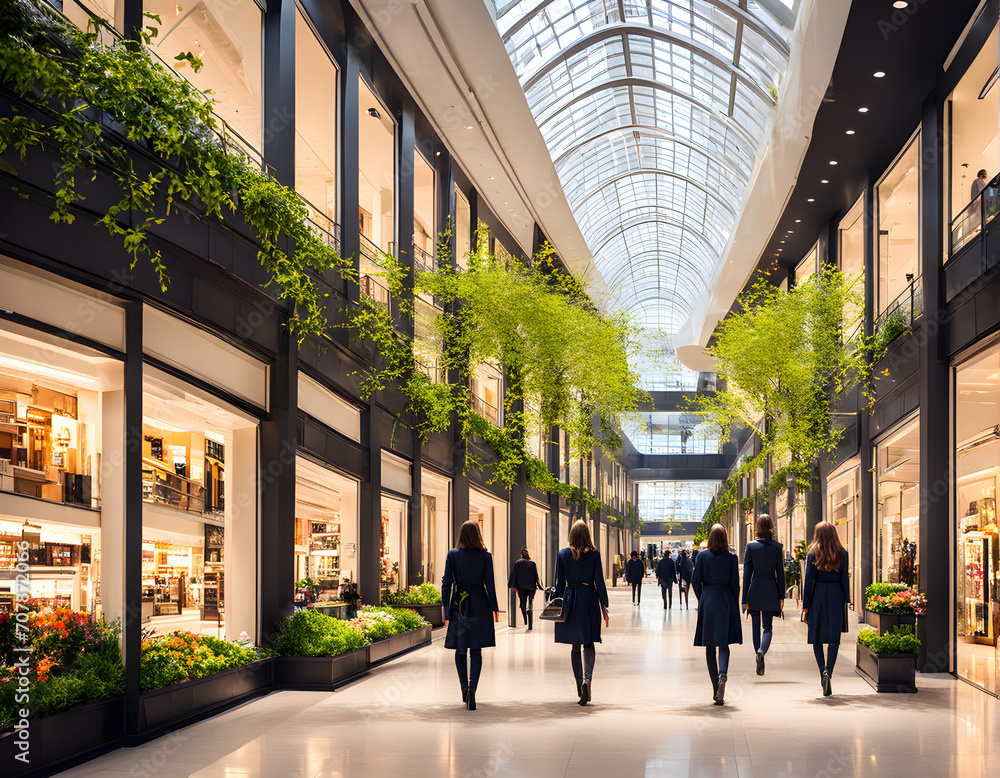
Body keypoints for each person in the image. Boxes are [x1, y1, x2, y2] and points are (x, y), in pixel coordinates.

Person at [441, 520, 500, 710]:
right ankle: (473, 691)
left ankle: (464, 689)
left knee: (460, 647)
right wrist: (494, 608)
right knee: (476, 649)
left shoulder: (453, 555)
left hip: (460, 603)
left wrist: (446, 609)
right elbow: (490, 584)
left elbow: (446, 584)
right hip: (479, 603)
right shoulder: (485, 556)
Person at [554, 520, 609, 705]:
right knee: (589, 642)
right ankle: (587, 679)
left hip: (571, 600)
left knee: (575, 646)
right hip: (589, 599)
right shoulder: (594, 554)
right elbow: (599, 581)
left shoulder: (562, 554)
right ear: (587, 535)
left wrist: (553, 601)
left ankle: (579, 687)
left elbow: (560, 584)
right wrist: (604, 605)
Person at [692, 524, 742, 705]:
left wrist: (702, 598)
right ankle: (723, 674)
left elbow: (695, 581)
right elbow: (735, 584)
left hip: (709, 599)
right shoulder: (731, 558)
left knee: (710, 645)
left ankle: (715, 689)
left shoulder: (702, 556)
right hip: (726, 599)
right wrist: (733, 602)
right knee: (723, 643)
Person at [802, 522, 851, 697]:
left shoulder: (813, 552)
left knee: (816, 637)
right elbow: (844, 577)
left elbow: (808, 581)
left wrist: (805, 605)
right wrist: (847, 599)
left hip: (817, 595)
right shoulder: (842, 552)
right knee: (833, 639)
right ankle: (828, 672)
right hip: (836, 594)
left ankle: (821, 670)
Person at [742, 514, 784, 676]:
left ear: (757, 529)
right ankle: (762, 651)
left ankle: (757, 654)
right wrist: (781, 597)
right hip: (771, 589)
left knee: (755, 628)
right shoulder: (777, 547)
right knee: (767, 627)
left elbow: (747, 574)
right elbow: (780, 573)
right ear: (771, 527)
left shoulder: (751, 547)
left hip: (755, 589)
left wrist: (745, 598)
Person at [508, 547, 542, 630]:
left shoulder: (518, 563)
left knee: (522, 604)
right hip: (531, 587)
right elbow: (536, 576)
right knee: (530, 603)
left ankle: (525, 621)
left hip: (521, 587)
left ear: (521, 555)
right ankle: (529, 618)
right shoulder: (533, 564)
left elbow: (514, 575)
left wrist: (512, 585)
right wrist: (539, 586)